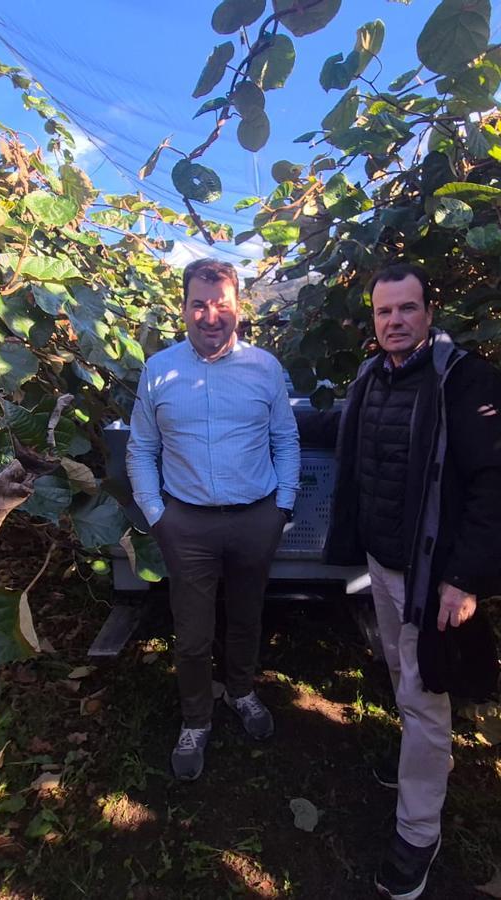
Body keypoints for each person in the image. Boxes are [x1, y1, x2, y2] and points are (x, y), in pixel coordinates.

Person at [300, 263, 501, 899]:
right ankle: (413, 771)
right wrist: (265, 416)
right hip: (382, 561)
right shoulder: (374, 376)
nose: (394, 321)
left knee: (427, 695)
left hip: (432, 573)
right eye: (383, 312)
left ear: (430, 311)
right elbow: (339, 430)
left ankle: (417, 832)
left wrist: (463, 578)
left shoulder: (464, 380)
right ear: (373, 321)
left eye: (406, 309)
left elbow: (498, 484)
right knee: (403, 674)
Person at [126, 257, 300, 781]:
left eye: (221, 304)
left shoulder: (265, 368)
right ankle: (196, 719)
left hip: (254, 519)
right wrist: (158, 515)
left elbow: (285, 440)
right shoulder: (159, 370)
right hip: (187, 525)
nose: (210, 316)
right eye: (199, 304)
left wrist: (282, 506)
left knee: (247, 617)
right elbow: (140, 448)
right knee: (192, 634)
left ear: (238, 308)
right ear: (183, 308)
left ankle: (242, 692)